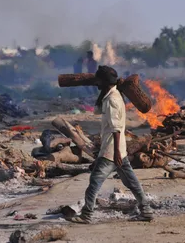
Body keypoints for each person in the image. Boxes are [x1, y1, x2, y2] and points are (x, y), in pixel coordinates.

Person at [66, 66, 154, 224]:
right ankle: (146, 210)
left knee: (95, 181)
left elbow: (116, 128)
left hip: (111, 150)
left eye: (98, 80)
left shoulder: (113, 99)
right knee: (131, 182)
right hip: (118, 149)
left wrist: (116, 154)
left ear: (104, 81)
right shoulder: (111, 95)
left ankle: (86, 214)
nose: (96, 83)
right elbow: (98, 111)